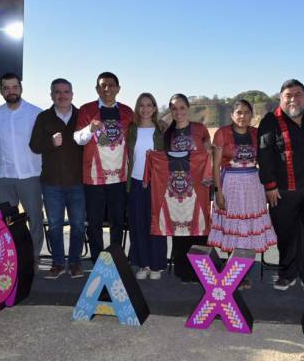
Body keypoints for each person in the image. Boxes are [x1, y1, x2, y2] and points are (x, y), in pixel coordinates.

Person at [258, 79, 304, 292]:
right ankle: (287, 274)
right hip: (282, 190)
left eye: (298, 94)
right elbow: (264, 154)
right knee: (286, 233)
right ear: (281, 98)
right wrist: (270, 186)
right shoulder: (270, 120)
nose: (293, 99)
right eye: (288, 95)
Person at [208, 99, 276, 289]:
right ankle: (233, 274)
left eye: (246, 112)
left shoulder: (256, 133)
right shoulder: (222, 133)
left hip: (253, 185)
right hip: (230, 183)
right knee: (234, 227)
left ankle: (241, 273)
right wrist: (217, 192)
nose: (242, 116)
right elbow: (216, 165)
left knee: (248, 230)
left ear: (252, 115)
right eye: (238, 112)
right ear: (232, 115)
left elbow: (265, 159)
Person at [73, 72, 134, 260]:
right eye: (103, 85)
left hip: (119, 177)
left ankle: (116, 260)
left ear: (118, 88)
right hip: (94, 178)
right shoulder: (86, 109)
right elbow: (78, 139)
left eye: (111, 85)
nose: (107, 89)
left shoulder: (127, 112)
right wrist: (89, 129)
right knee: (94, 223)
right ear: (97, 89)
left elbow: (139, 134)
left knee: (117, 222)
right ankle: (98, 261)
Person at [29, 78, 86, 279]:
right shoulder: (44, 117)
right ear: (51, 95)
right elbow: (34, 146)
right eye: (58, 92)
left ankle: (75, 263)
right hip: (51, 182)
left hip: (78, 182)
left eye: (66, 91)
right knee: (55, 225)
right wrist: (50, 142)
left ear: (72, 94)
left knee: (78, 225)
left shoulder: (82, 116)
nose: (62, 95)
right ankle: (58, 263)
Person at [0, 73, 44, 272]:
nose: (11, 91)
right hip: (4, 176)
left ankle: (34, 256)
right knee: (6, 221)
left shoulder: (36, 113)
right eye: (6, 87)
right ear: (1, 91)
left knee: (35, 218)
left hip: (31, 175)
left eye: (14, 87)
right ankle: (10, 258)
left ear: (21, 88)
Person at [159, 93, 212, 283]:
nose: (178, 111)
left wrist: (209, 176)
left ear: (188, 108)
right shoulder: (167, 133)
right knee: (180, 230)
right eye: (174, 108)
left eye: (182, 107)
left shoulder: (199, 128)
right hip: (177, 188)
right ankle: (183, 271)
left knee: (199, 228)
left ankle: (203, 271)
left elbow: (209, 153)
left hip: (198, 187)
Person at [125, 92, 167, 280]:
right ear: (137, 108)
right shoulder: (131, 129)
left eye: (149, 105)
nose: (145, 109)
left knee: (156, 224)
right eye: (141, 105)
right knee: (138, 224)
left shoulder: (161, 129)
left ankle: (157, 265)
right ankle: (144, 264)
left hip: (156, 184)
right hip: (135, 182)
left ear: (155, 108)